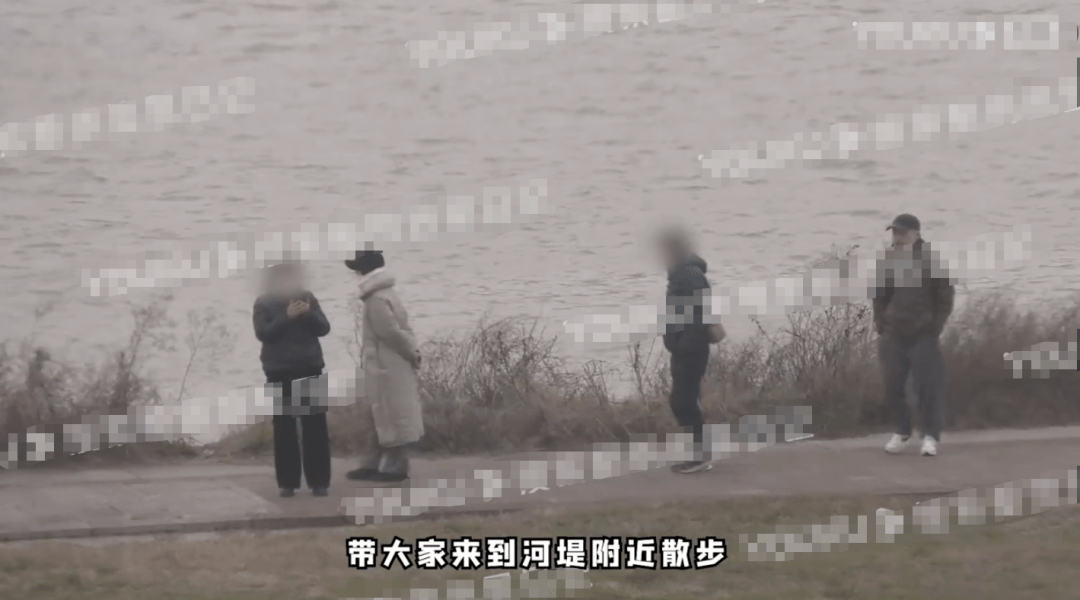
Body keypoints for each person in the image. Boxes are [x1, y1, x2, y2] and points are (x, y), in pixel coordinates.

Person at [873, 214, 955, 457]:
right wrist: (881, 323)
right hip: (893, 334)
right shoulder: (889, 259)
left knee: (927, 387)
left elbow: (945, 298)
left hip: (923, 334)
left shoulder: (932, 260)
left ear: (915, 234)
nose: (897, 237)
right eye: (894, 232)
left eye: (902, 232)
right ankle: (902, 431)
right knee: (892, 386)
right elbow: (879, 295)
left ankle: (930, 436)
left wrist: (934, 328)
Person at [252, 262, 333, 497]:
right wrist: (286, 317)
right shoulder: (263, 302)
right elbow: (263, 333)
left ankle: (319, 481)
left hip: (309, 365)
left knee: (315, 427)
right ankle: (287, 482)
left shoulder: (307, 297)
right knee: (284, 427)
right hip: (279, 369)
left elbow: (324, 328)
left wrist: (308, 314)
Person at [343, 250, 424, 483]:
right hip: (387, 364)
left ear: (365, 271)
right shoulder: (383, 293)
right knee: (382, 415)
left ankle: (394, 468)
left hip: (387, 366)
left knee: (391, 416)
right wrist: (412, 352)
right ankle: (373, 463)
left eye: (357, 269)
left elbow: (390, 332)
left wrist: (411, 353)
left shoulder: (376, 298)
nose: (356, 274)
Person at [658, 227, 719, 474]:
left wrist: (684, 344)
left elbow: (702, 309)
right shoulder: (681, 273)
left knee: (683, 403)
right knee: (682, 402)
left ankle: (700, 457)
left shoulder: (687, 274)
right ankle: (700, 455)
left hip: (690, 349)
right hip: (685, 347)